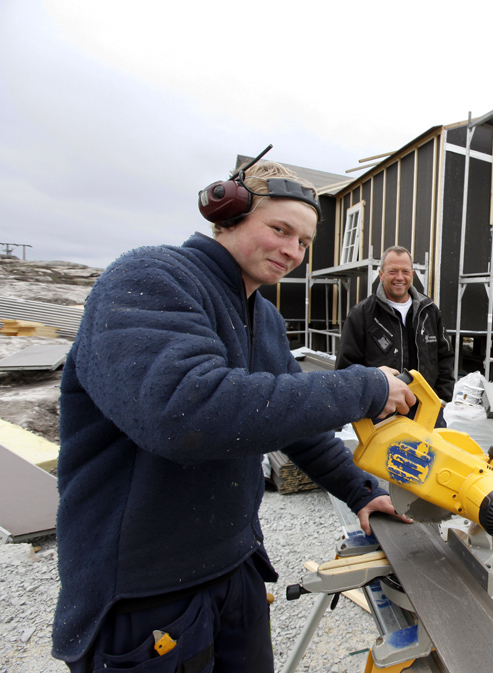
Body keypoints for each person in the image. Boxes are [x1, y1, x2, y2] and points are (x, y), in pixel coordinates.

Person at [52, 157, 416, 673]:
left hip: (235, 566)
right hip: (144, 590)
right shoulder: (150, 279)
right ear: (228, 215)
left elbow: (296, 424)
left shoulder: (262, 315)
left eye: (304, 241)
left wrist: (361, 491)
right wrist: (366, 386)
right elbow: (187, 414)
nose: (293, 251)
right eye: (280, 230)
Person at [336, 245, 454, 423]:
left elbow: (445, 356)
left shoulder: (429, 311)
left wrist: (442, 398)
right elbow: (347, 368)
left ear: (412, 274)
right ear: (381, 274)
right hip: (382, 413)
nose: (400, 277)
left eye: (405, 271)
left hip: (427, 409)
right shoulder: (362, 315)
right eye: (393, 271)